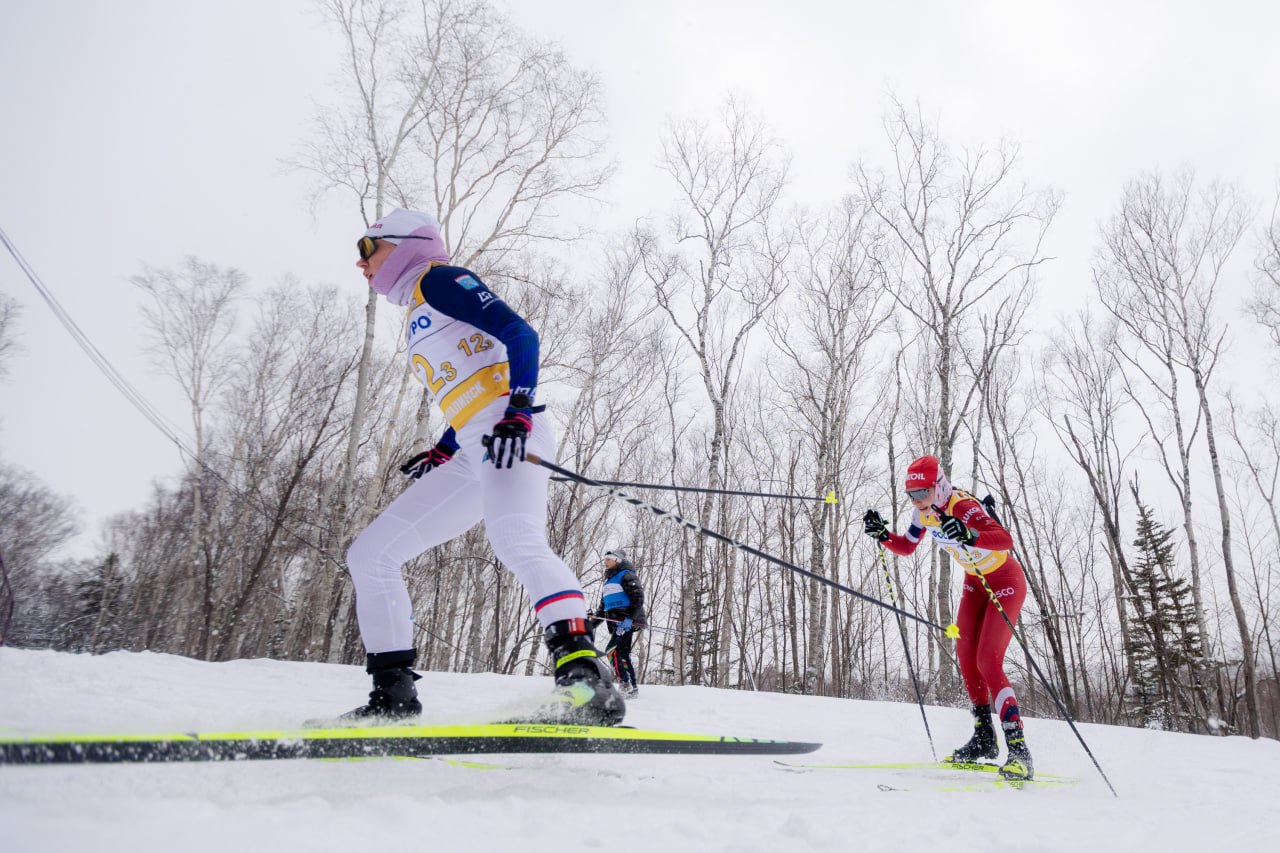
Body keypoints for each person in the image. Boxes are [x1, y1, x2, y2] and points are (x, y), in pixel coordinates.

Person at [339, 208, 624, 726]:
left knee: (516, 539)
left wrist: (518, 410)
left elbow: (520, 334)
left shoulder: (439, 280)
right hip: (477, 445)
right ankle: (393, 697)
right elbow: (469, 383)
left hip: (512, 433)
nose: (360, 263)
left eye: (367, 247)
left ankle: (585, 679)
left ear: (403, 244)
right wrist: (445, 447)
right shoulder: (419, 311)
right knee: (371, 555)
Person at [861, 455, 1033, 781]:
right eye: (910, 494)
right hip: (975, 583)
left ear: (939, 487)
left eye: (922, 493)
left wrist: (970, 534)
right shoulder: (922, 513)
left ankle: (1020, 751)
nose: (916, 501)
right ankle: (984, 737)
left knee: (988, 661)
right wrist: (883, 535)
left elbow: (1005, 539)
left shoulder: (963, 506)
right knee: (966, 659)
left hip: (1004, 581)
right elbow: (908, 546)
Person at [587, 549, 647, 697]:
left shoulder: (626, 574)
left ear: (617, 560)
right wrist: (590, 624)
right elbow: (603, 609)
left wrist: (630, 619)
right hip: (615, 622)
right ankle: (632, 688)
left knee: (612, 650)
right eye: (605, 559)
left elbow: (638, 597)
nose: (605, 561)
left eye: (608, 559)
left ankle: (625, 684)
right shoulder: (608, 581)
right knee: (622, 653)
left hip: (626, 620)